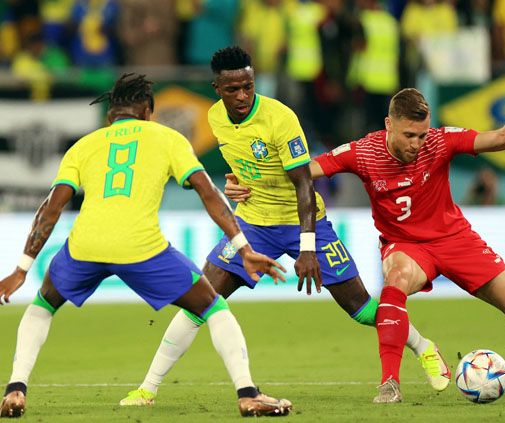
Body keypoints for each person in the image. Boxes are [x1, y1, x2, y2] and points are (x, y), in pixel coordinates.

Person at [227, 88, 505, 402]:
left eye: (421, 135)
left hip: (456, 240)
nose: (416, 144)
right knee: (394, 281)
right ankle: (389, 384)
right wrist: (242, 179)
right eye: (409, 135)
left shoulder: (441, 142)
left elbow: (503, 138)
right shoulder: (362, 151)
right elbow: (300, 172)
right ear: (388, 125)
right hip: (405, 245)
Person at [119, 46, 448, 407]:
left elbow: (305, 184)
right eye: (233, 89)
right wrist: (235, 184)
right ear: (217, 88)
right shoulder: (215, 118)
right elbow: (244, 167)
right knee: (199, 300)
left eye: (248, 85)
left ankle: (424, 346)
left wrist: (307, 249)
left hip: (304, 221)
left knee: (360, 308)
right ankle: (147, 388)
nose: (243, 95)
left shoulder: (280, 118)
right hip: (254, 223)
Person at [0, 74, 292, 418]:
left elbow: (50, 208)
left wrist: (21, 269)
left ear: (111, 116)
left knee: (42, 305)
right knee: (213, 308)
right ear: (148, 110)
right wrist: (243, 247)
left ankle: (15, 390)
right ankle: (247, 394)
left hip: (84, 247)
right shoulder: (168, 137)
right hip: (142, 247)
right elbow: (208, 192)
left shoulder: (84, 145)